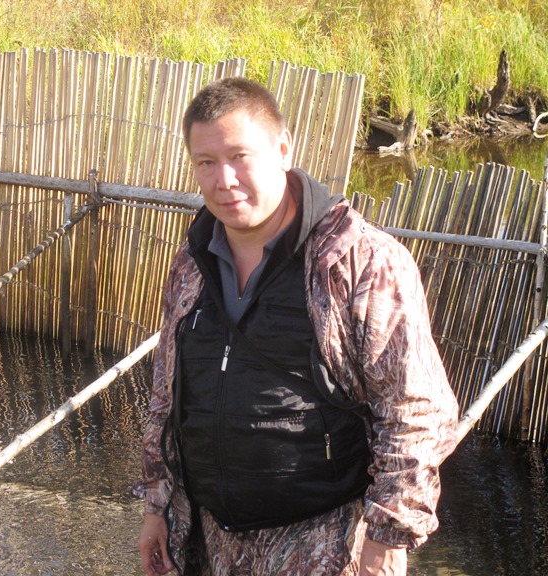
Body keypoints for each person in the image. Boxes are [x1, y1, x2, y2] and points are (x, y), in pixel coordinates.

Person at [135, 76, 459, 576]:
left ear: (283, 149)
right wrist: (157, 507)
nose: (224, 179)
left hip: (326, 545)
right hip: (210, 538)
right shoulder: (191, 263)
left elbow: (415, 411)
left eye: (240, 156)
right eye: (206, 162)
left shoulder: (360, 263)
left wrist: (387, 538)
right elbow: (168, 394)